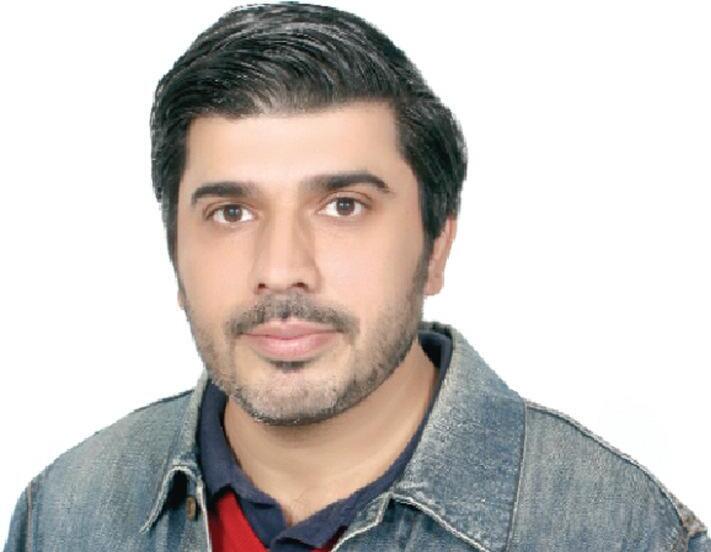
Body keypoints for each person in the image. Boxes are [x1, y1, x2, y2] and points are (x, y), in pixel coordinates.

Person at [3, 2, 708, 551]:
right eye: (231, 213)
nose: (281, 269)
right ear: (174, 254)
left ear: (435, 246)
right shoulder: (63, 513)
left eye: (343, 206)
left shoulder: (620, 532)